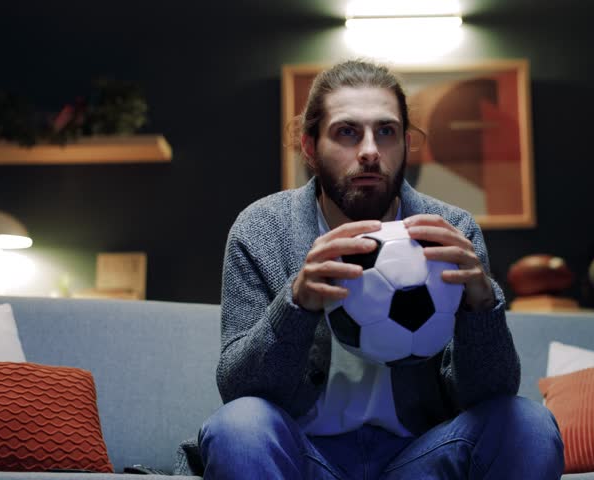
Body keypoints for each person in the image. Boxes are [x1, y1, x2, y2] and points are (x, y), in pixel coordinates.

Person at [198, 59, 564, 479]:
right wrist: (296, 303)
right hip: (302, 459)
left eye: (386, 132)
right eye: (347, 132)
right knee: (238, 426)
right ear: (310, 148)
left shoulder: (451, 231)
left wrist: (481, 309)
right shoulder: (262, 229)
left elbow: (490, 395)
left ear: (407, 144)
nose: (370, 150)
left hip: (420, 459)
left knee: (530, 424)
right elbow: (239, 390)